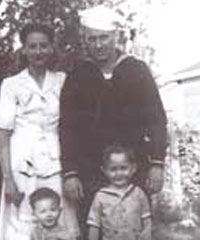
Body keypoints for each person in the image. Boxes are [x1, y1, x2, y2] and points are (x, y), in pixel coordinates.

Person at [59, 4, 167, 221]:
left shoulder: (137, 71)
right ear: (85, 40)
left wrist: (157, 164)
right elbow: (67, 127)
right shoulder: (77, 76)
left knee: (133, 226)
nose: (98, 45)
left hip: (133, 169)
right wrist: (70, 173)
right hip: (90, 171)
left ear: (115, 37)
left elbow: (156, 120)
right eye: (92, 39)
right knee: (93, 228)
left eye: (104, 38)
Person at [0, 23, 79, 240]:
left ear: (51, 48)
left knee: (59, 220)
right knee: (21, 226)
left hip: (55, 162)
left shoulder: (62, 81)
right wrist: (9, 179)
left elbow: (71, 126)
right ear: (23, 50)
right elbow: (3, 136)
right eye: (32, 46)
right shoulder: (11, 85)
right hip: (22, 165)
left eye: (43, 46)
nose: (38, 52)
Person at [88, 144, 151, 240]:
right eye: (113, 169)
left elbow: (147, 221)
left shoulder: (138, 193)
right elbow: (94, 225)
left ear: (133, 168)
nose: (118, 173)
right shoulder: (100, 196)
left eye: (123, 168)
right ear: (104, 170)